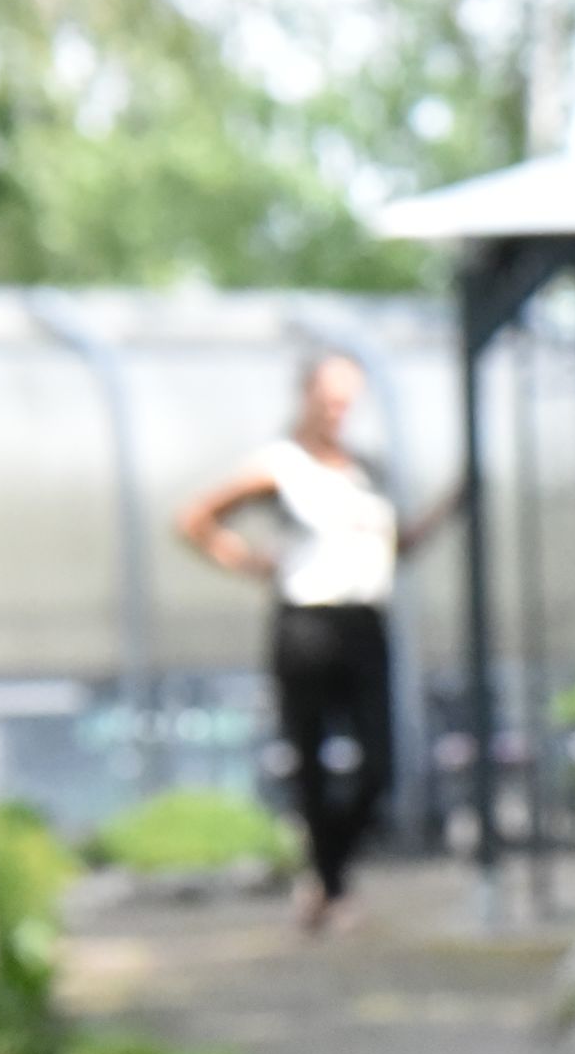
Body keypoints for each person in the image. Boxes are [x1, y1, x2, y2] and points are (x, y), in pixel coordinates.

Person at [174, 353, 457, 931]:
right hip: (305, 622)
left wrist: (444, 512)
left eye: (347, 400)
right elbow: (195, 520)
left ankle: (326, 878)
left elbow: (391, 547)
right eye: (329, 398)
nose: (337, 411)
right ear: (305, 396)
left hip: (364, 621)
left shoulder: (366, 472)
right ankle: (330, 887)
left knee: (379, 764)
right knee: (310, 763)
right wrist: (252, 564)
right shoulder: (281, 465)